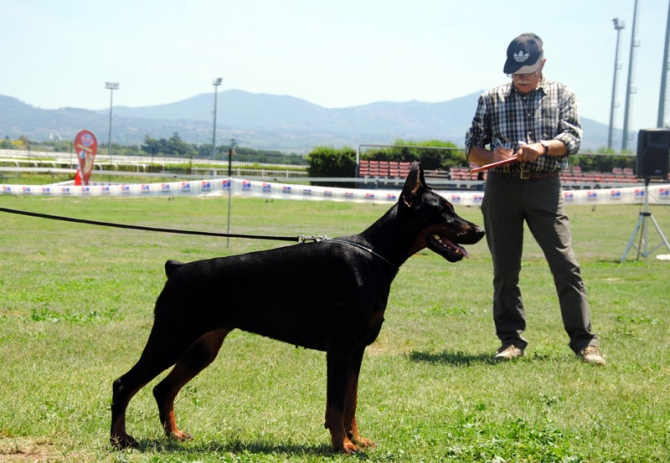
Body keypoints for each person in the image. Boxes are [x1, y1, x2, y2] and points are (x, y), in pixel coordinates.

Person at [464, 33, 606, 365]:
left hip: (545, 187)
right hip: (502, 188)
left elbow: (571, 139)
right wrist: (492, 156)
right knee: (505, 270)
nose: (521, 78)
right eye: (515, 73)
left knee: (566, 265)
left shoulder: (563, 94)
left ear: (542, 64)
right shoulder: (491, 99)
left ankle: (585, 342)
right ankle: (510, 341)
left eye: (527, 72)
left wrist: (541, 147)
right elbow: (471, 148)